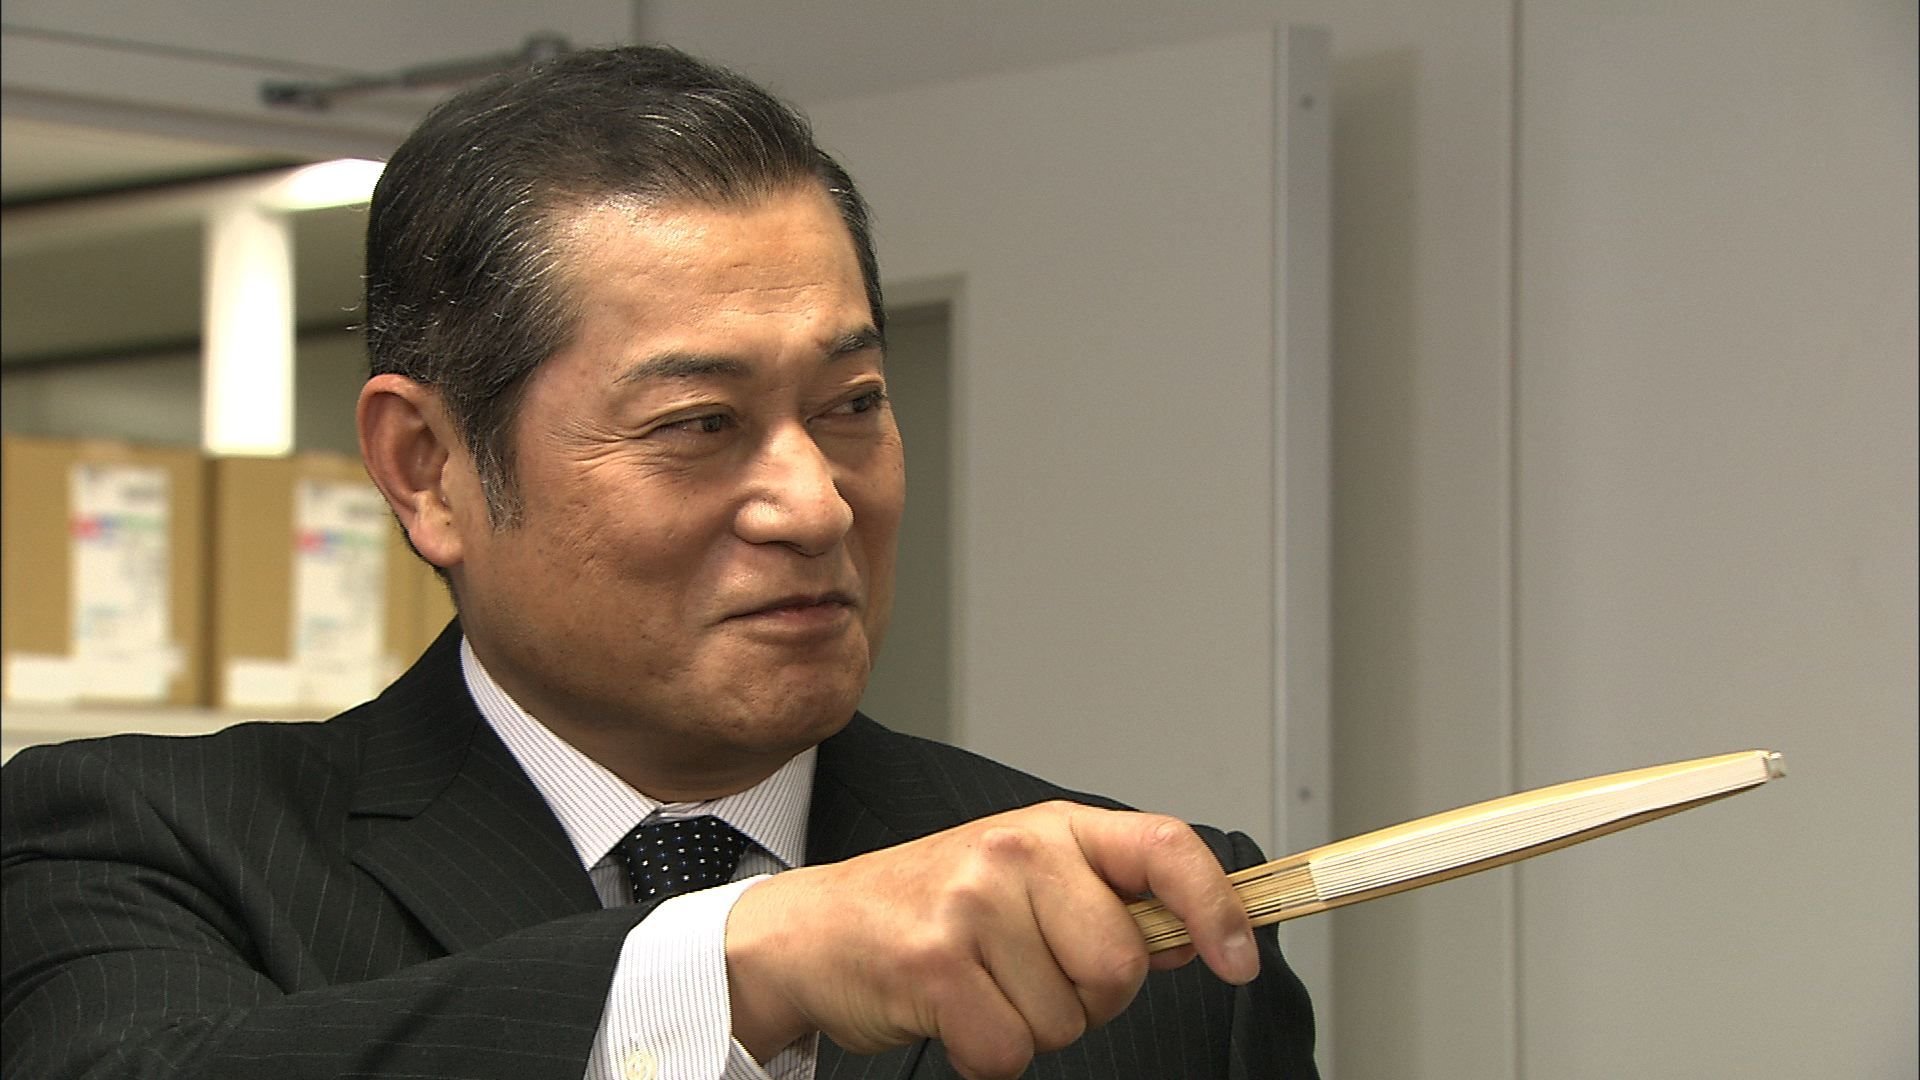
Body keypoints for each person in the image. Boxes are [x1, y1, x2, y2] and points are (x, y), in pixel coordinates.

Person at [0, 44, 1317, 1080]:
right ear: (428, 467)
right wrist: (744, 961)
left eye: (853, 404)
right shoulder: (152, 846)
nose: (814, 504)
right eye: (699, 424)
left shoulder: (1137, 937)